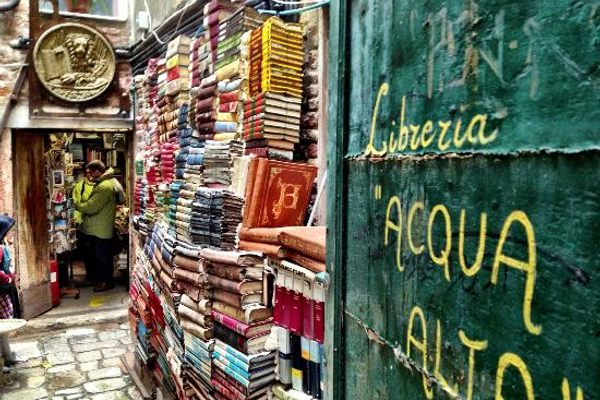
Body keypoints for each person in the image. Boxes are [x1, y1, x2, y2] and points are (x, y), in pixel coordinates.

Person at [74, 160, 125, 292]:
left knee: (103, 256)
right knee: (98, 255)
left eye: (91, 173)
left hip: (100, 229)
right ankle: (97, 279)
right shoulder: (104, 183)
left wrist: (77, 205)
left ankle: (106, 281)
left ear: (98, 171)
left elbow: (92, 207)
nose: (89, 176)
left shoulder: (104, 187)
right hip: (97, 227)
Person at [72, 169, 95, 287]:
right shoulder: (79, 186)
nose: (90, 176)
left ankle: (96, 277)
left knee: (95, 252)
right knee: (87, 252)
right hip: (83, 224)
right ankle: (91, 276)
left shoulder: (100, 185)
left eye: (92, 173)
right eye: (88, 174)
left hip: (96, 225)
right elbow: (75, 204)